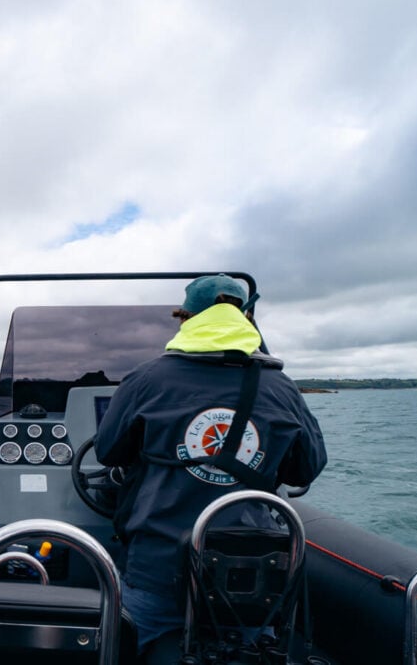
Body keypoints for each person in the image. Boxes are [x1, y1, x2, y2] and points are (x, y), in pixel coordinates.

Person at [93, 274, 327, 662]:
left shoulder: (147, 379)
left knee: (133, 648)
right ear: (247, 319)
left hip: (156, 565)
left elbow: (109, 452)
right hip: (248, 574)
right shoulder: (281, 387)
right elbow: (306, 469)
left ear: (186, 318)